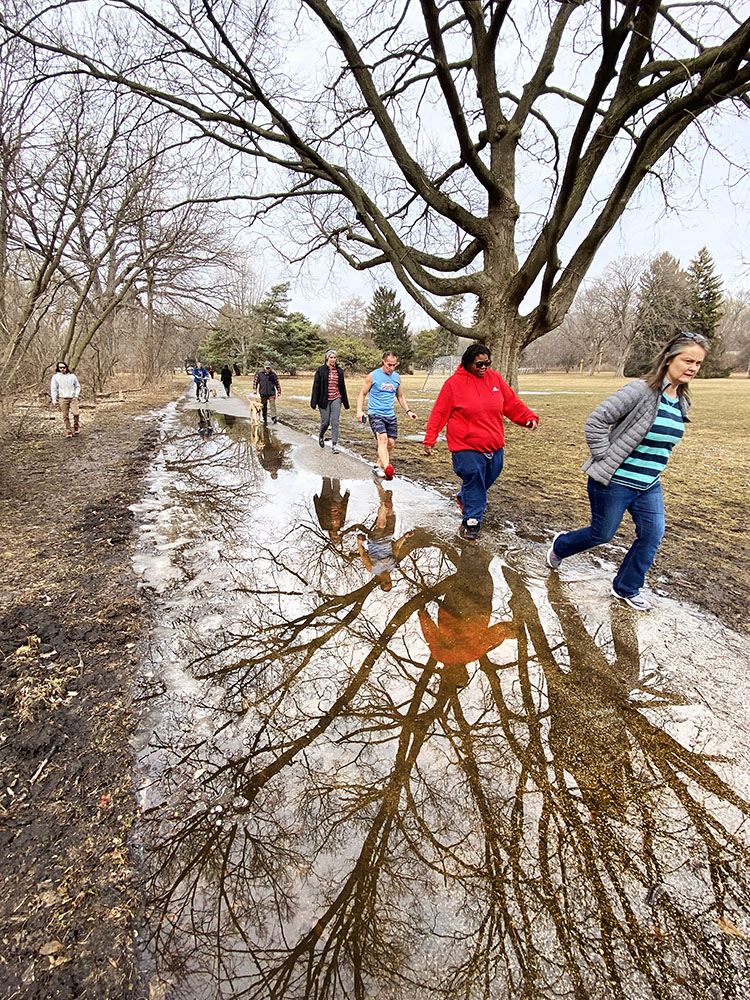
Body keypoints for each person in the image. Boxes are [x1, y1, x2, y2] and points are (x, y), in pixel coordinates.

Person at [546, 332, 708, 612]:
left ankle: (627, 587)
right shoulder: (640, 390)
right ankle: (561, 545)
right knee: (602, 534)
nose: (692, 367)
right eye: (688, 360)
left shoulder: (681, 400)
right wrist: (604, 455)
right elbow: (597, 419)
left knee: (652, 535)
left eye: (698, 363)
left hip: (649, 485)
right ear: (669, 359)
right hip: (615, 481)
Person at [422, 343, 539, 540]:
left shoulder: (495, 379)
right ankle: (472, 521)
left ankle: (464, 497)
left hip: (494, 443)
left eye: (487, 363)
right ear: (467, 363)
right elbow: (439, 413)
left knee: (488, 477)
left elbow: (511, 402)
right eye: (479, 364)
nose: (484, 367)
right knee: (474, 477)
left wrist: (527, 417)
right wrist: (430, 439)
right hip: (465, 445)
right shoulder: (453, 384)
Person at [356, 351, 417, 479]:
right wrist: (359, 410)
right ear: (383, 361)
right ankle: (387, 467)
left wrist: (408, 411)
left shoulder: (397, 377)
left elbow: (400, 396)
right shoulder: (373, 376)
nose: (392, 368)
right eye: (389, 365)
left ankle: (378, 466)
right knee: (382, 439)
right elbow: (362, 393)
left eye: (394, 365)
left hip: (390, 415)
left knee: (391, 443)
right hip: (375, 413)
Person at [311, 349, 350, 453]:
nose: (333, 359)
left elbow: (342, 387)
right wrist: (313, 402)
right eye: (331, 357)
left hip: (336, 398)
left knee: (335, 422)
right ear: (327, 358)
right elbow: (316, 387)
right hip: (323, 400)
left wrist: (345, 402)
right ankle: (321, 435)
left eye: (334, 357)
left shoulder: (339, 371)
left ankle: (334, 445)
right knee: (325, 422)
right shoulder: (321, 370)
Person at [50, 361, 81, 438]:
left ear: (66, 367)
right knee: (65, 415)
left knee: (76, 413)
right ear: (58, 368)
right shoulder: (56, 377)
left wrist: (76, 395)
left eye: (63, 367)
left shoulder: (72, 376)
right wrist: (54, 400)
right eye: (60, 368)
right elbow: (53, 389)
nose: (62, 369)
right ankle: (68, 430)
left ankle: (76, 426)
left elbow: (77, 386)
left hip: (72, 398)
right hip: (62, 398)